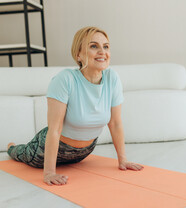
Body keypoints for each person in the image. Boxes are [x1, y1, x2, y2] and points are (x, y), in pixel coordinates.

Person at [7, 26, 143, 186]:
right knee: (21, 153)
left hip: (84, 152)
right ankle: (12, 147)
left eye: (105, 46)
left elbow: (115, 123)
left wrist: (123, 160)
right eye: (94, 46)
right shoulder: (66, 79)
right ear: (78, 54)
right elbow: (55, 129)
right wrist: (49, 172)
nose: (102, 51)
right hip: (47, 150)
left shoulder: (112, 78)